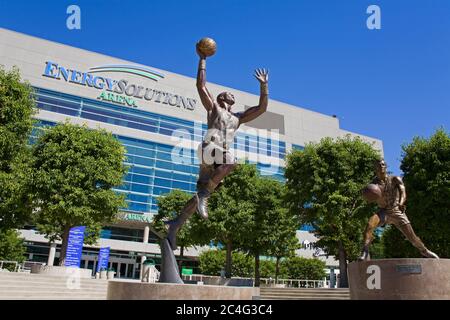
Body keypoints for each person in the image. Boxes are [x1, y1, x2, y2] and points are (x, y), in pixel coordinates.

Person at [165, 43, 269, 250]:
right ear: (222, 98)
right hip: (208, 149)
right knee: (231, 160)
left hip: (216, 160)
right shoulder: (214, 108)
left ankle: (175, 225)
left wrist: (263, 86)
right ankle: (205, 194)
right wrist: (202, 60)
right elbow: (201, 87)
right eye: (227, 93)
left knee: (201, 194)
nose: (231, 94)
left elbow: (262, 109)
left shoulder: (238, 118)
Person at [359, 159, 439, 260]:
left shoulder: (395, 179)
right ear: (375, 168)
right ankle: (365, 250)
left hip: (396, 211)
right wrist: (367, 196)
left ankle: (424, 251)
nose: (381, 167)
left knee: (412, 238)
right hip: (384, 212)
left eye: (383, 165)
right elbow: (370, 198)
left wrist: (401, 203)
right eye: (379, 165)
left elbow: (403, 192)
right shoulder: (373, 184)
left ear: (386, 166)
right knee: (370, 225)